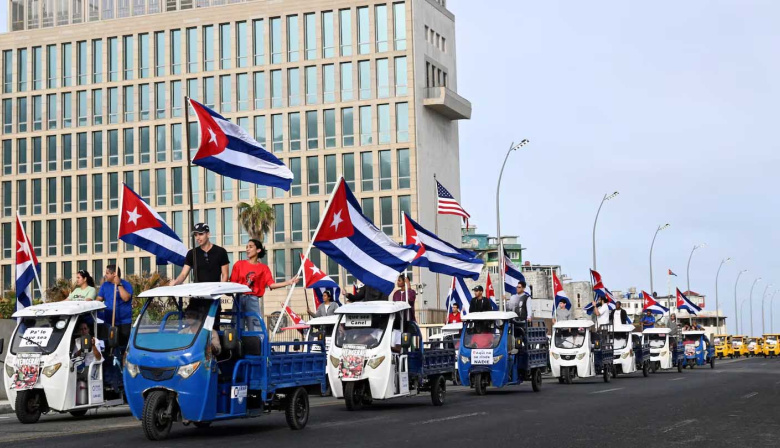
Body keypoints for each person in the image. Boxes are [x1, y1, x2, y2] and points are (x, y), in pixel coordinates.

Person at [229, 239, 298, 330]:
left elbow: (271, 284)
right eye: (246, 247)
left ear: (258, 250)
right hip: (239, 298)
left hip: (252, 299)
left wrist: (289, 282)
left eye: (250, 247)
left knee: (255, 326)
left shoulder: (263, 268)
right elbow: (232, 283)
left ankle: (258, 343)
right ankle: (236, 343)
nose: (247, 249)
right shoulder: (239, 264)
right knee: (236, 326)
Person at [96, 265, 134, 348]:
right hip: (109, 321)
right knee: (109, 345)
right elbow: (99, 299)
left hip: (124, 322)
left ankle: (121, 359)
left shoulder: (126, 284)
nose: (105, 275)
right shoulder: (105, 285)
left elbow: (126, 298)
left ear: (114, 274)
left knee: (122, 346)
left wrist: (119, 285)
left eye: (107, 273)